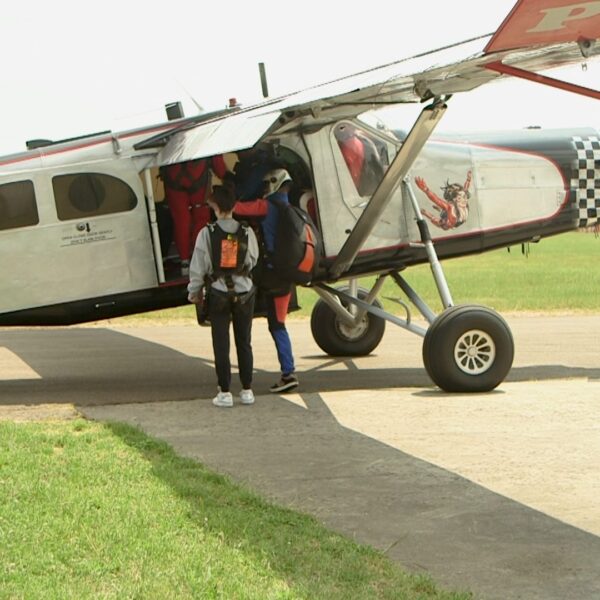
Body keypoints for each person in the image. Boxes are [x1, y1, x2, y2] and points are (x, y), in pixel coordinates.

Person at [187, 185, 259, 407]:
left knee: (221, 343)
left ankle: (225, 392)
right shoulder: (247, 231)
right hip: (245, 292)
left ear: (214, 207)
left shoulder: (206, 233)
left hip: (218, 292)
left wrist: (194, 292)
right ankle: (247, 390)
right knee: (244, 341)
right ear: (234, 206)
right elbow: (253, 259)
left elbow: (198, 267)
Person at [233, 168, 300, 393]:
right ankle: (288, 372)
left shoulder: (266, 207)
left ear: (273, 184)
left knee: (274, 326)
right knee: (279, 324)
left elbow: (237, 209)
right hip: (286, 276)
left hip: (271, 276)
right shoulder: (290, 209)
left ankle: (288, 374)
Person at [160, 155, 230, 276]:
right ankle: (199, 259)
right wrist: (226, 177)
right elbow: (217, 161)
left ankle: (184, 262)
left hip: (173, 176)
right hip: (198, 176)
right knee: (201, 219)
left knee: (181, 220)